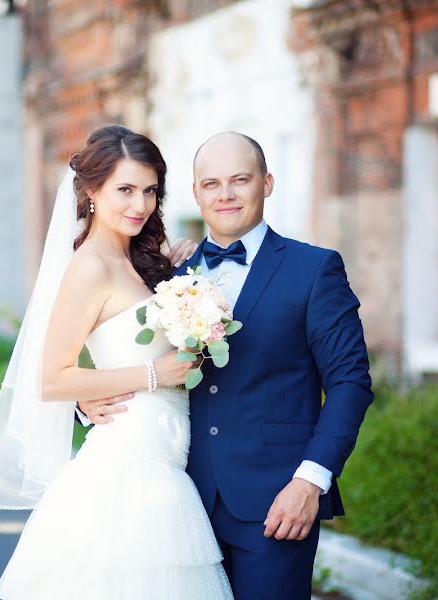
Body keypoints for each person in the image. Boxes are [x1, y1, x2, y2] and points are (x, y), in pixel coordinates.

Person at [79, 132, 374, 600]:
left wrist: (310, 481)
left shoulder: (314, 269)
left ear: (267, 183)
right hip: (180, 502)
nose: (226, 194)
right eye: (211, 183)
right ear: (195, 194)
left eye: (240, 180)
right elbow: (136, 359)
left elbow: (350, 383)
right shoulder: (169, 274)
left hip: (277, 502)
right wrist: (88, 400)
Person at [0, 125, 233, 599]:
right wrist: (154, 373)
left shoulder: (143, 262)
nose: (140, 204)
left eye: (150, 191)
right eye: (125, 190)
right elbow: (52, 377)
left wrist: (178, 278)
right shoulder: (88, 267)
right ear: (91, 190)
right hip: (126, 466)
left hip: (166, 460)